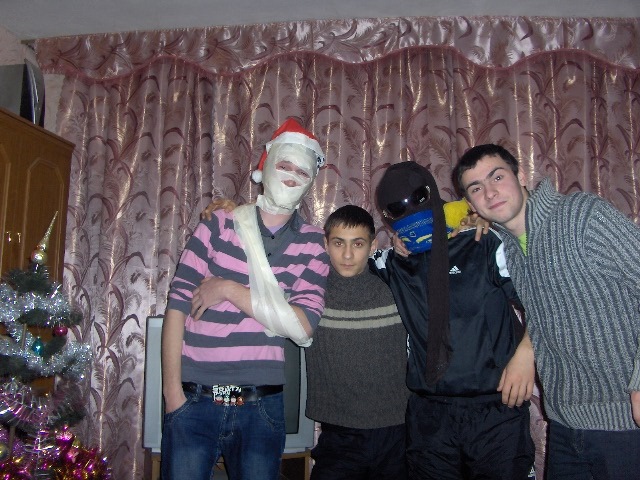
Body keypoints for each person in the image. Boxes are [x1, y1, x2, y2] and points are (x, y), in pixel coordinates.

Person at [455, 144, 640, 479]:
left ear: (521, 176)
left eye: (497, 177)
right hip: (565, 426)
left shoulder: (582, 215)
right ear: (471, 203)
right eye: (477, 188)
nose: (490, 192)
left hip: (626, 421)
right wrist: (404, 239)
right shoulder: (510, 247)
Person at [160, 118, 331, 480]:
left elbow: (302, 327)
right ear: (264, 167)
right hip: (195, 398)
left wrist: (226, 289)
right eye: (285, 165)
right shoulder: (219, 223)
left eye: (302, 171)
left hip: (260, 405)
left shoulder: (314, 243)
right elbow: (177, 305)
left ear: (312, 181)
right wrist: (172, 393)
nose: (292, 176)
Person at [373, 161, 536, 479]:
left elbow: (544, 301)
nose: (409, 210)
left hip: (496, 408)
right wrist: (394, 243)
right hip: (430, 416)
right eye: (397, 208)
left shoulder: (483, 242)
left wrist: (526, 354)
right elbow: (344, 264)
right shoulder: (392, 263)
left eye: (417, 198)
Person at [304, 205, 410, 479]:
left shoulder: (396, 285)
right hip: (338, 437)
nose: (348, 255)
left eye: (358, 244)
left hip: (398, 433)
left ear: (373, 245)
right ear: (326, 244)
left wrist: (467, 224)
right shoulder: (310, 292)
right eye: (339, 243)